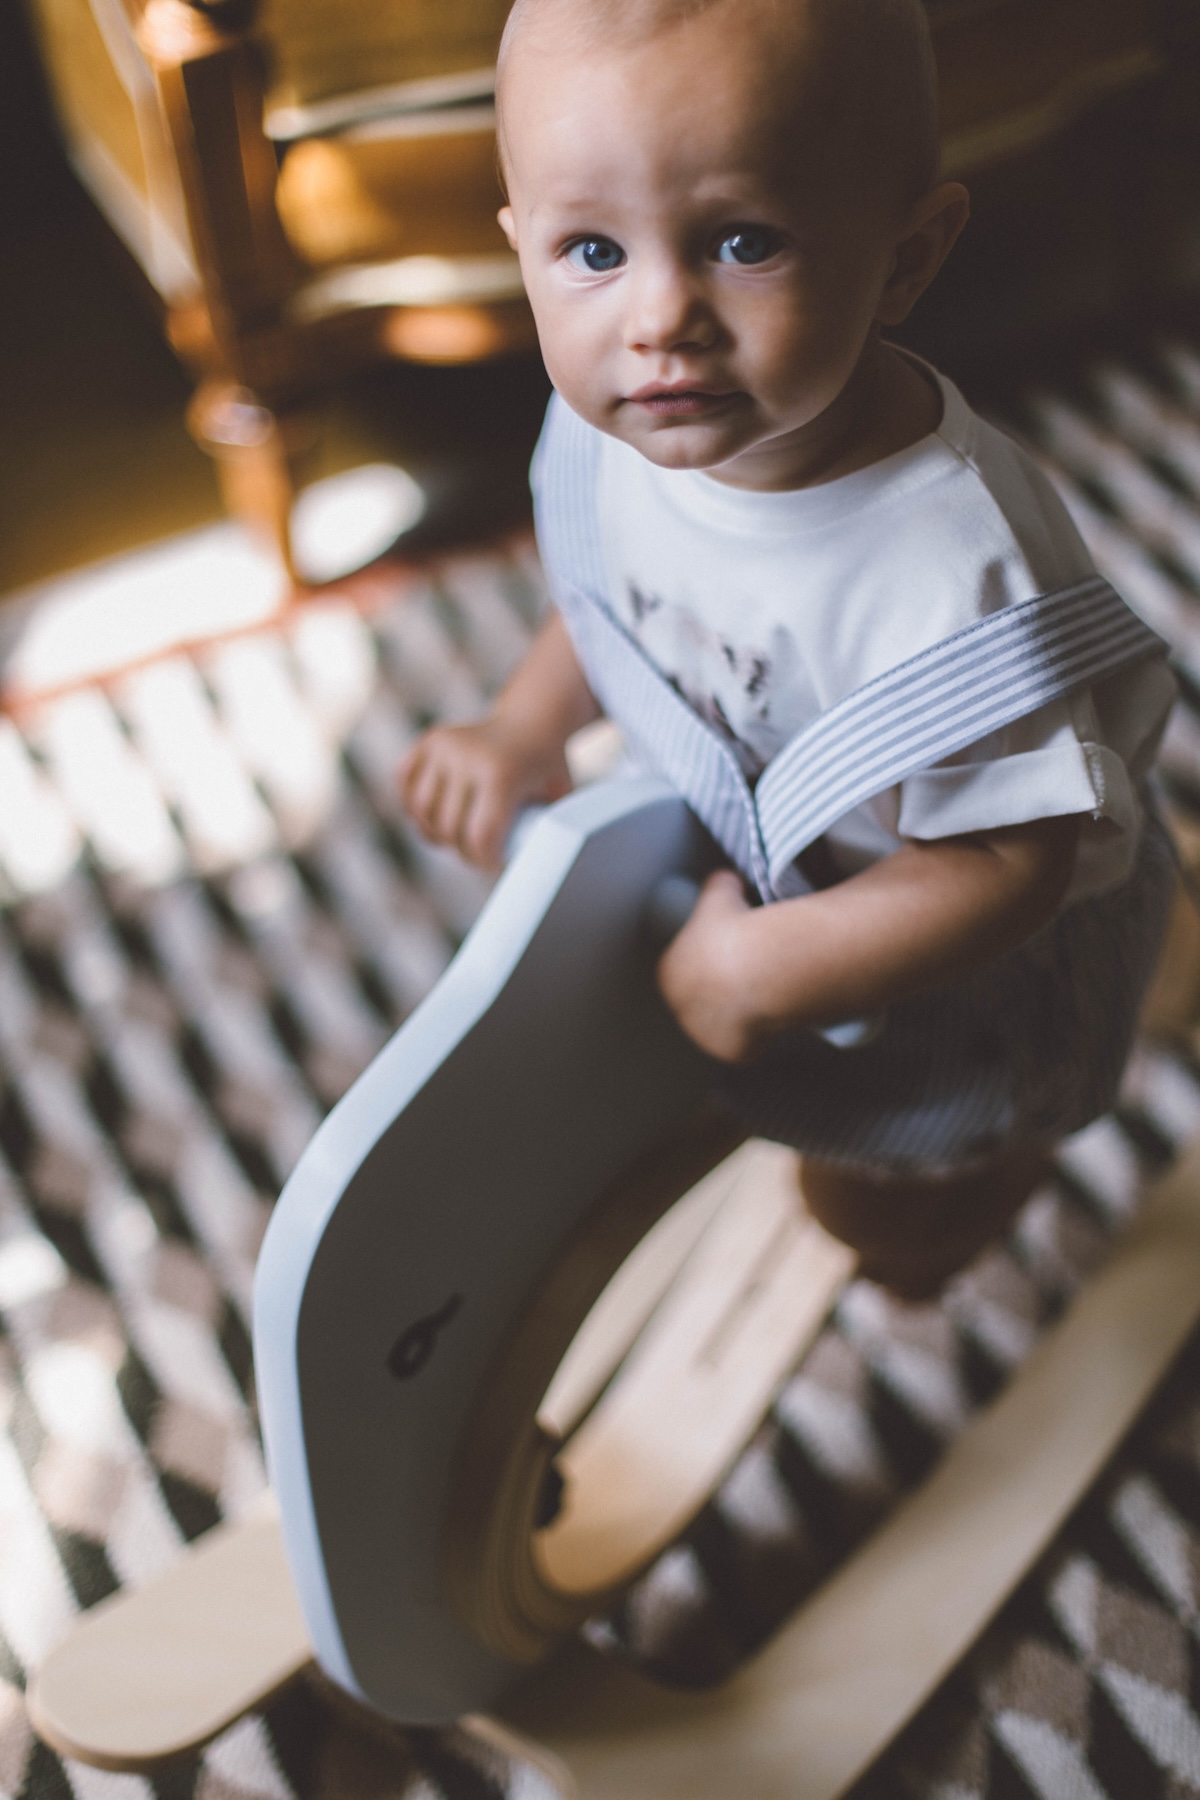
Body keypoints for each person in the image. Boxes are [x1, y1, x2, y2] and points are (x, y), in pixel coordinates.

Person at [398, 0, 1176, 1297]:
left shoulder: (946, 578)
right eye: (591, 249)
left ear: (906, 257)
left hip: (965, 959)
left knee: (892, 1199)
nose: (658, 318)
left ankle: (963, 1212)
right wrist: (523, 725)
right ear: (518, 248)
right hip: (795, 864)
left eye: (743, 241)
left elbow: (1010, 866)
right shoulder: (626, 430)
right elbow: (617, 603)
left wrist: (766, 968)